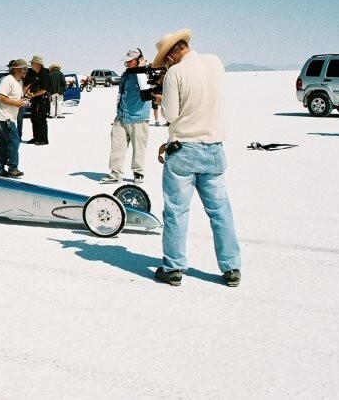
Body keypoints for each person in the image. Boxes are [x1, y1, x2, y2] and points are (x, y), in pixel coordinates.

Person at [150, 28, 241, 287]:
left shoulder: (175, 73)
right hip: (214, 148)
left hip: (184, 150)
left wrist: (163, 94)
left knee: (177, 211)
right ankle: (231, 267)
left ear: (169, 56)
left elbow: (171, 114)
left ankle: (173, 267)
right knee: (221, 211)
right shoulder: (215, 62)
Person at [100, 48, 151, 184]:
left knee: (138, 148)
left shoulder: (145, 75)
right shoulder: (125, 75)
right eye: (126, 61)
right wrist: (118, 112)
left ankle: (138, 172)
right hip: (122, 117)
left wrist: (141, 69)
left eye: (130, 61)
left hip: (138, 118)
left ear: (139, 60)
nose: (127, 63)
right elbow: (120, 94)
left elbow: (146, 92)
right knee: (117, 146)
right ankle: (115, 173)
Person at [0, 59, 30, 178]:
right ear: (16, 69)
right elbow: (0, 97)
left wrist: (23, 100)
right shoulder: (7, 80)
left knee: (4, 143)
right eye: (24, 69)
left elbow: (14, 97)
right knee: (14, 140)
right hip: (4, 117)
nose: (26, 71)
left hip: (9, 117)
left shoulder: (18, 82)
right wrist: (16, 103)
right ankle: (13, 168)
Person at [25, 55, 50, 145]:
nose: (31, 65)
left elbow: (44, 90)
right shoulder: (35, 74)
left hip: (42, 100)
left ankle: (43, 139)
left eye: (32, 63)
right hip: (35, 99)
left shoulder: (44, 74)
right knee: (33, 118)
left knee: (41, 119)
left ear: (37, 64)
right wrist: (30, 92)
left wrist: (34, 95)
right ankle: (36, 137)